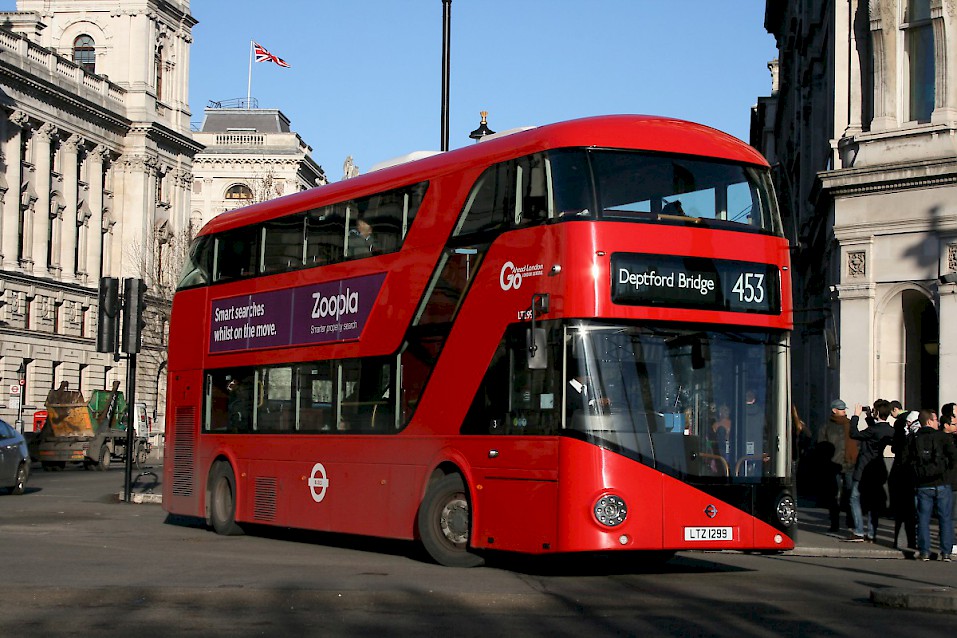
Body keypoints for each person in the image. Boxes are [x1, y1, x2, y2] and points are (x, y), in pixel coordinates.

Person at [911, 409, 957, 561]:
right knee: (945, 519)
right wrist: (947, 473)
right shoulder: (942, 437)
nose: (938, 422)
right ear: (929, 421)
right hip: (942, 482)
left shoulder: (913, 437)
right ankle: (946, 552)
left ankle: (924, 551)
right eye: (936, 419)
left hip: (922, 484)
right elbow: (953, 457)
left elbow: (905, 459)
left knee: (923, 519)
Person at [847, 399, 895, 542]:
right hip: (879, 468)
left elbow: (854, 433)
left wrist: (856, 416)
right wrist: (868, 417)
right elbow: (875, 431)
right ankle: (872, 533)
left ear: (878, 412)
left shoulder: (873, 430)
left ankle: (859, 531)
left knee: (854, 497)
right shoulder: (889, 430)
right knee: (874, 502)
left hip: (864, 468)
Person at [818, 399, 857, 533]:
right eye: (841, 409)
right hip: (833, 465)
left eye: (844, 409)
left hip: (849, 464)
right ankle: (834, 523)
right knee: (833, 495)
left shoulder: (850, 424)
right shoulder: (827, 426)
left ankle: (851, 522)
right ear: (834, 410)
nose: (844, 411)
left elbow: (856, 440)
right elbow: (821, 445)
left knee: (850, 493)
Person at [889, 410, 919, 557]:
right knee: (909, 513)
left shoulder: (909, 436)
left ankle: (904, 541)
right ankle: (909, 541)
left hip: (904, 475)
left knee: (905, 513)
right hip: (907, 476)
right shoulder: (908, 435)